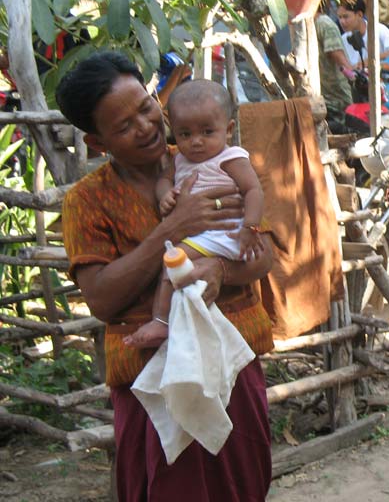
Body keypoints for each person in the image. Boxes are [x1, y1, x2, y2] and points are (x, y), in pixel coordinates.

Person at [56, 51, 273, 500]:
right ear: (97, 143)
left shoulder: (212, 159)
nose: (147, 125)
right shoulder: (87, 201)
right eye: (124, 125)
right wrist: (169, 231)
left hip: (230, 365)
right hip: (148, 382)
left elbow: (263, 254)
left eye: (146, 106)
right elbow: (100, 300)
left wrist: (221, 268)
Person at [122, 79, 267, 348]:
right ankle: (183, 325)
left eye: (207, 132)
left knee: (172, 263)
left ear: (229, 130)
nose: (196, 142)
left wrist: (251, 227)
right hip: (202, 236)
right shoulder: (179, 160)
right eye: (185, 134)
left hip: (225, 233)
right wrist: (165, 195)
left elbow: (253, 191)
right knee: (185, 273)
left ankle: (160, 321)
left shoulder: (231, 157)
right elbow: (164, 181)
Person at [337, 0, 389, 68]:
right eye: (339, 17)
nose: (342, 21)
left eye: (346, 17)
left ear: (359, 14)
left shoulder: (378, 29)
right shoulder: (343, 39)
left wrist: (371, 60)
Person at [315, 9, 354, 130]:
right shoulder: (324, 23)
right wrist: (353, 77)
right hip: (336, 99)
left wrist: (354, 75)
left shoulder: (320, 24)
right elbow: (336, 53)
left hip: (329, 97)